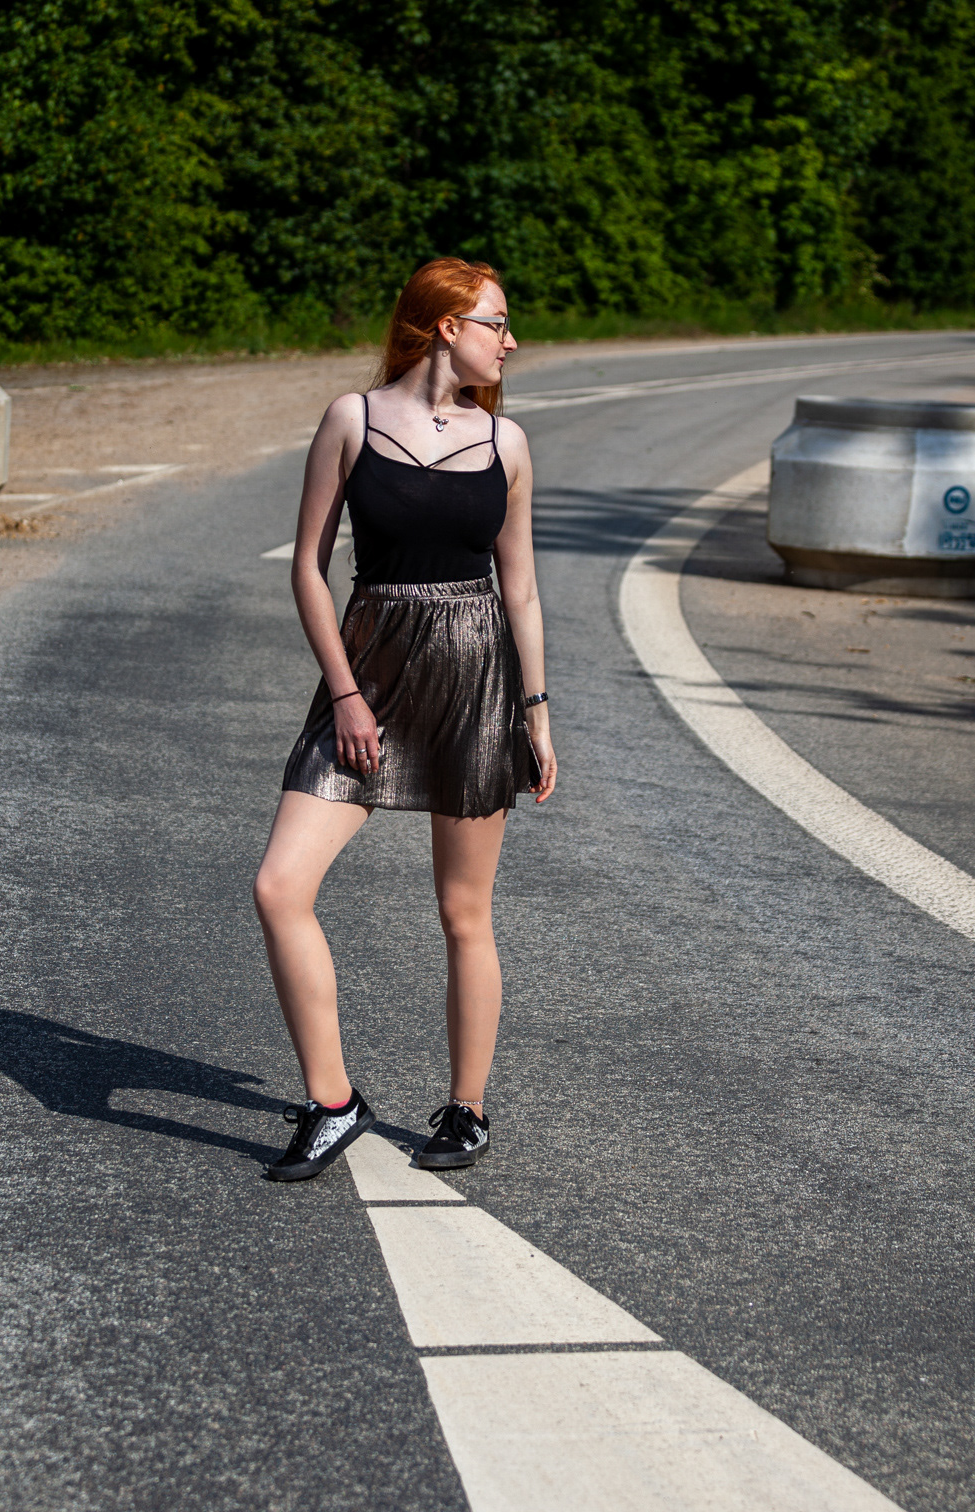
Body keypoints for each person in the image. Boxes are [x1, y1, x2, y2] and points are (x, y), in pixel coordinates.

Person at [253, 256, 556, 1182]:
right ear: (445, 327)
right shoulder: (352, 418)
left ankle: (467, 1110)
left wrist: (537, 714)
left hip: (475, 676)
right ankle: (332, 1102)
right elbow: (308, 568)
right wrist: (345, 693)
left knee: (464, 910)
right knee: (280, 886)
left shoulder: (506, 443)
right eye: (497, 323)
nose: (511, 342)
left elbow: (521, 588)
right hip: (372, 671)